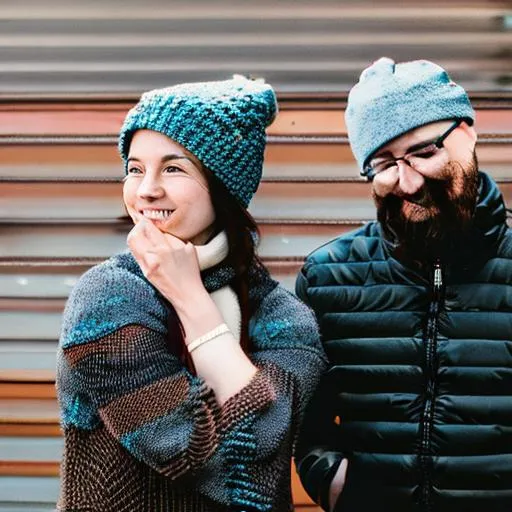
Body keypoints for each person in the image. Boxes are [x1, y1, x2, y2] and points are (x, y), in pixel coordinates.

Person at [56, 75, 327, 512]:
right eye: (135, 169)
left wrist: (190, 296)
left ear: (223, 185)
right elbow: (189, 451)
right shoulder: (108, 299)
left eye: (174, 168)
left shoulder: (282, 315)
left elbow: (262, 442)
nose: (146, 190)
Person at [294, 57, 512, 512]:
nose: (408, 182)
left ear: (468, 135)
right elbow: (305, 427)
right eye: (384, 164)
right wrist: (335, 484)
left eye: (425, 152)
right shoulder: (327, 276)